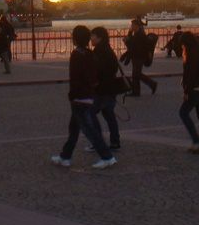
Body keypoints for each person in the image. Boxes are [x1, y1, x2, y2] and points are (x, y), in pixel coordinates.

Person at [51, 25, 117, 169]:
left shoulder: (76, 54)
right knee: (74, 129)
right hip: (89, 94)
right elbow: (94, 76)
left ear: (75, 38)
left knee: (88, 130)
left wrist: (72, 95)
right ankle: (65, 156)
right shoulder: (90, 53)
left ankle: (107, 157)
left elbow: (75, 77)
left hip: (79, 97)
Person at [90, 26, 123, 151]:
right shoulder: (108, 49)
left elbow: (97, 70)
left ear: (99, 37)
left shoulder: (99, 51)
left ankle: (97, 142)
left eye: (92, 36)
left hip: (101, 89)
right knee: (109, 115)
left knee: (90, 114)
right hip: (110, 88)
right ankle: (115, 141)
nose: (90, 38)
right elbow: (113, 68)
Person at [179, 32, 199, 154]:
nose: (181, 46)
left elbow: (190, 75)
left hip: (196, 89)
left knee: (183, 113)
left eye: (182, 44)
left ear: (186, 44)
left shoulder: (190, 55)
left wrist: (186, 91)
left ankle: (197, 141)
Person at [122, 17, 157, 96]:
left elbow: (132, 45)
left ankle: (149, 85)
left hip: (139, 56)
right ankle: (139, 90)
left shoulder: (140, 35)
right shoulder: (137, 34)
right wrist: (129, 33)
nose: (131, 27)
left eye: (132, 25)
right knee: (136, 74)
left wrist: (126, 41)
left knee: (136, 74)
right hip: (136, 56)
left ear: (136, 26)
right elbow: (131, 42)